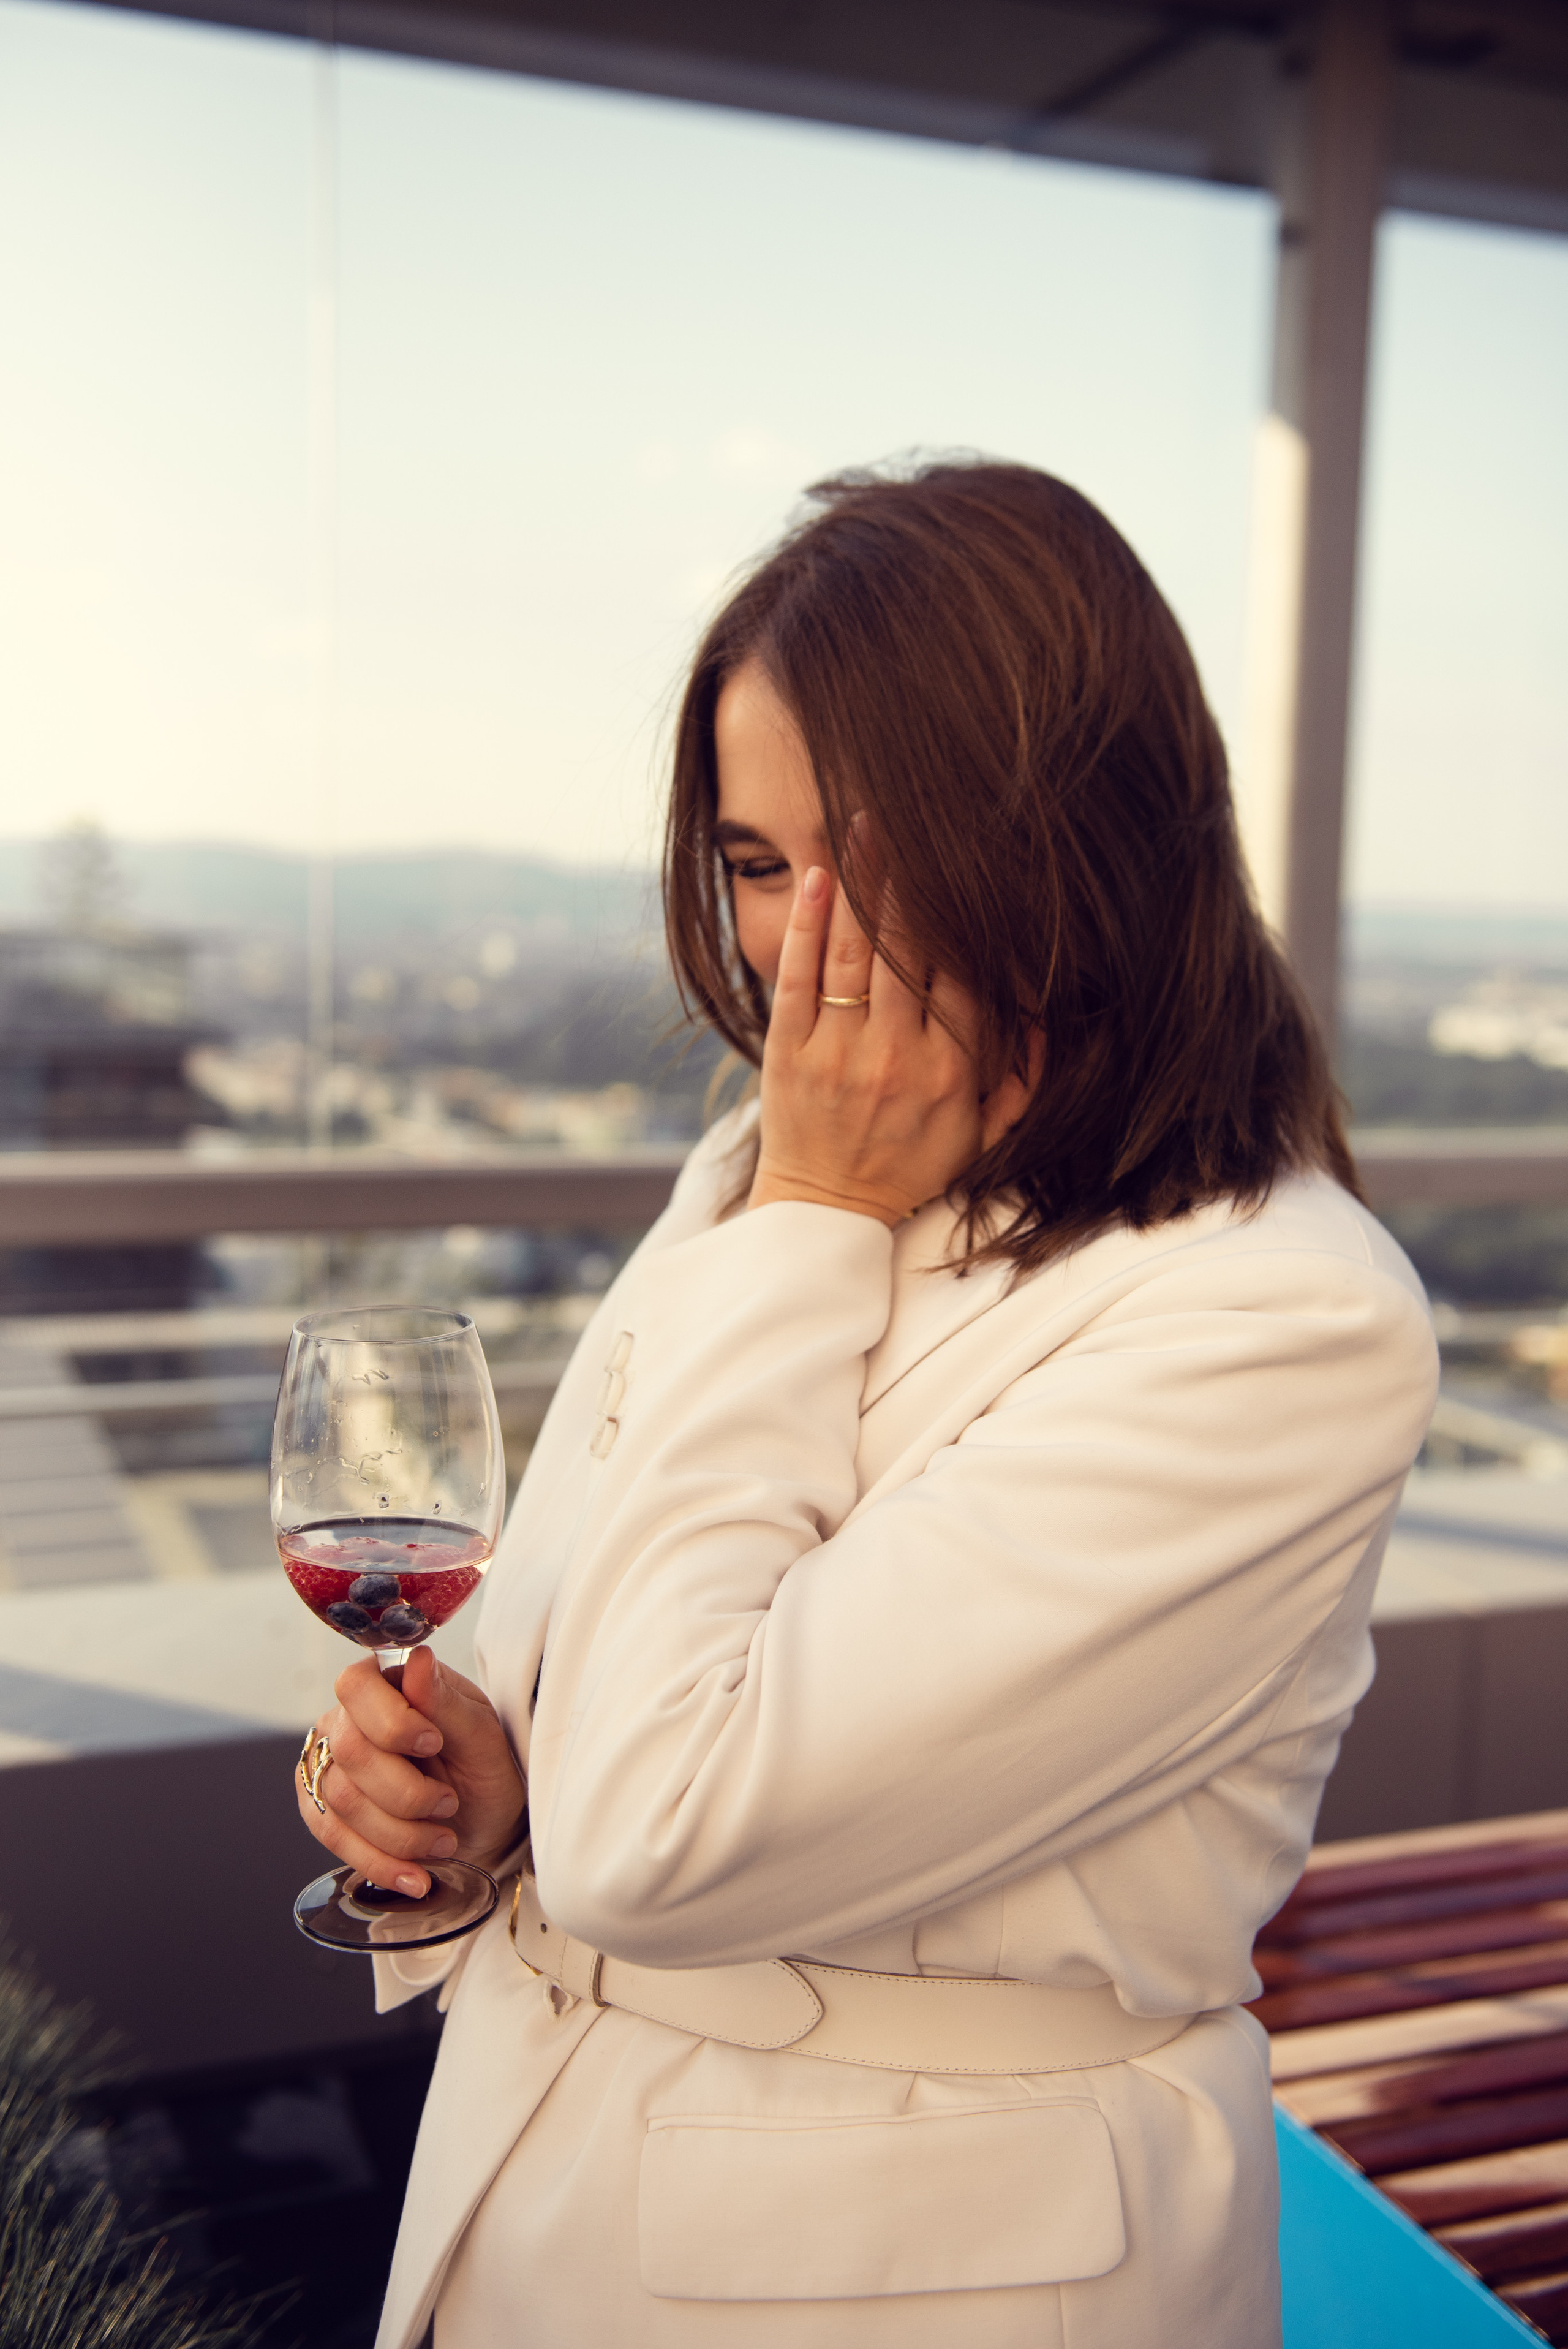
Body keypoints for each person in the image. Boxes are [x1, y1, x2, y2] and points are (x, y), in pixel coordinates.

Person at [296, 460, 1438, 2349]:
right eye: (757, 864)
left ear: (1094, 836)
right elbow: (602, 1692)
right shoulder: (764, 1171)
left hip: (913, 2279)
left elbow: (666, 1829)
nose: (808, 943)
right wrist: (481, 1783)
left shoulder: (1278, 1315)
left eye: (891, 847)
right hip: (536, 2199)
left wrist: (818, 1215)